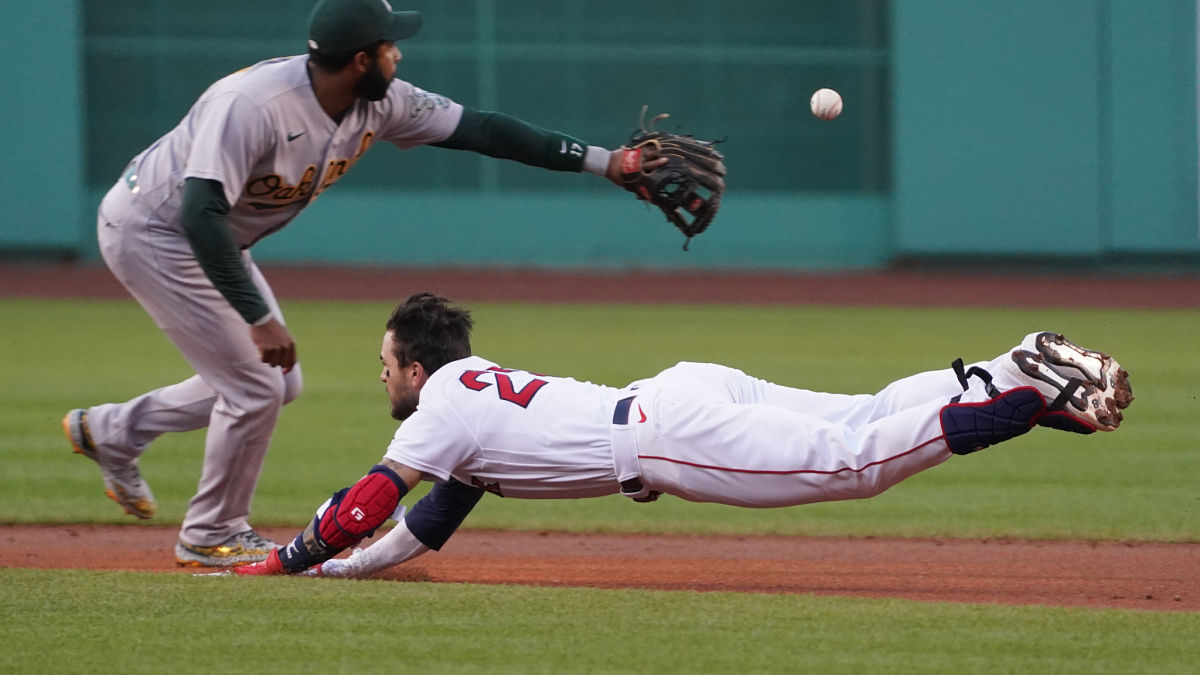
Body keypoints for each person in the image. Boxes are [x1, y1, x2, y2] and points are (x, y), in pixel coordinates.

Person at [60, 0, 668, 568]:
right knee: (253, 385)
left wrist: (603, 161)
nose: (398, 54)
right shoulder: (251, 104)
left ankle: (111, 431)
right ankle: (210, 533)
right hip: (156, 230)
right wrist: (256, 314)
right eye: (389, 45)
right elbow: (199, 211)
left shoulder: (382, 102)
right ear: (359, 60)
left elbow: (483, 130)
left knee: (276, 381)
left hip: (217, 237)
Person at [230, 292, 1133, 578]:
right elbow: (427, 520)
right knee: (861, 412)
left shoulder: (439, 411)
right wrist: (348, 569)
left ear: (416, 369)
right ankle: (1014, 363)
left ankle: (1018, 404)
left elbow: (376, 499)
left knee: (854, 463)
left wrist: (293, 558)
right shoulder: (469, 406)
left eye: (386, 361)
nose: (381, 375)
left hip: (664, 434)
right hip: (680, 390)